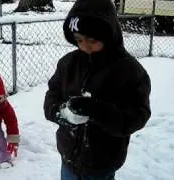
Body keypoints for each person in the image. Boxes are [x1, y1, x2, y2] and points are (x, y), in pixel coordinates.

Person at [43, 0, 151, 179]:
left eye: (92, 40)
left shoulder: (130, 72)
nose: (85, 46)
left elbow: (138, 115)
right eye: (79, 40)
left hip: (102, 163)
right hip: (68, 158)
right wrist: (62, 113)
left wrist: (97, 111)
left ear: (108, 36)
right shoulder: (68, 64)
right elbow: (52, 95)